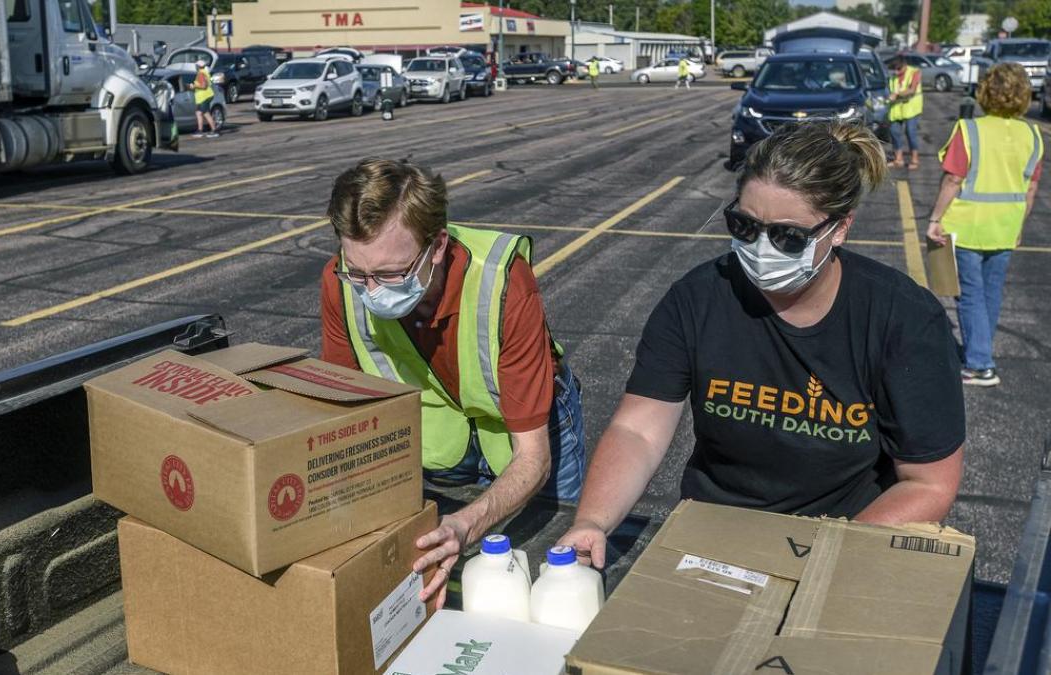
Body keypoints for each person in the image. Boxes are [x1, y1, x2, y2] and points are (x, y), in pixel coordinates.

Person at [558, 122, 965, 568]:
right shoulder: (698, 299)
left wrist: (825, 556)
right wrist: (594, 521)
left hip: (844, 540)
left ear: (841, 228)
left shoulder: (903, 320)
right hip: (715, 537)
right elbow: (638, 429)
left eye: (788, 237)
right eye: (745, 225)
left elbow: (928, 483)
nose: (761, 248)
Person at [320, 159, 586, 605]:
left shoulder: (502, 282)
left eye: (391, 274)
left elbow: (533, 459)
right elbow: (347, 414)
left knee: (551, 566)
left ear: (437, 245)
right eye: (358, 272)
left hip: (525, 428)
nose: (371, 290)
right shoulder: (340, 282)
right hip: (442, 438)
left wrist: (465, 526)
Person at [927, 62, 1043, 387]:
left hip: (968, 224)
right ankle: (981, 351)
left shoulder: (970, 129)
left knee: (969, 294)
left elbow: (953, 179)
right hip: (1005, 225)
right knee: (990, 294)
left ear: (985, 92)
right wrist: (1019, 225)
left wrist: (935, 218)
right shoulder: (1032, 134)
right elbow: (1030, 188)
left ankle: (980, 364)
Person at [887, 56, 923, 169]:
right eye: (894, 69)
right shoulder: (893, 76)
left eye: (898, 69)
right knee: (894, 132)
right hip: (896, 109)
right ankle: (898, 159)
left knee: (910, 132)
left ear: (905, 65)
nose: (896, 72)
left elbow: (912, 90)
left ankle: (915, 159)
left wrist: (897, 95)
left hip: (911, 108)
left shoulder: (914, 72)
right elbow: (890, 90)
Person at [188, 58, 220, 139]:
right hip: (202, 97)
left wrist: (194, 86)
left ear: (198, 66)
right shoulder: (204, 72)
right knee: (198, 113)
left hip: (204, 97)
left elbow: (203, 85)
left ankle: (214, 130)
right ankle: (200, 130)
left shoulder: (201, 74)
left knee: (206, 113)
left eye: (196, 66)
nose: (196, 67)